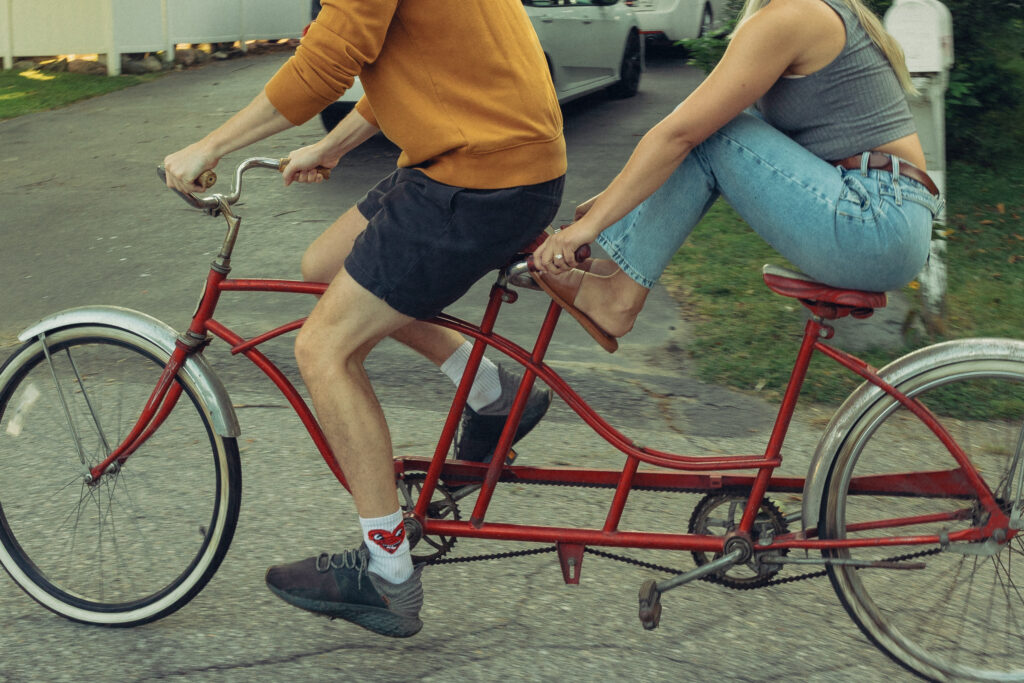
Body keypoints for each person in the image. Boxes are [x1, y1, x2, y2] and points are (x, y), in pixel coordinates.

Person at [164, 0, 566, 637]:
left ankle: (387, 571)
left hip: (477, 178)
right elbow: (417, 63)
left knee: (322, 349)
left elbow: (323, 66)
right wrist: (330, 145)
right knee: (324, 264)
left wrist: (208, 146)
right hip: (477, 160)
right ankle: (490, 389)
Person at [530, 0, 943, 354]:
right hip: (885, 221)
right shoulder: (809, 11)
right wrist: (611, 204)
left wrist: (590, 225)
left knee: (713, 130)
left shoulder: (791, 16)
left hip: (876, 222)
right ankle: (622, 276)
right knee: (714, 129)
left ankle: (619, 297)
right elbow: (730, 151)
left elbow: (682, 134)